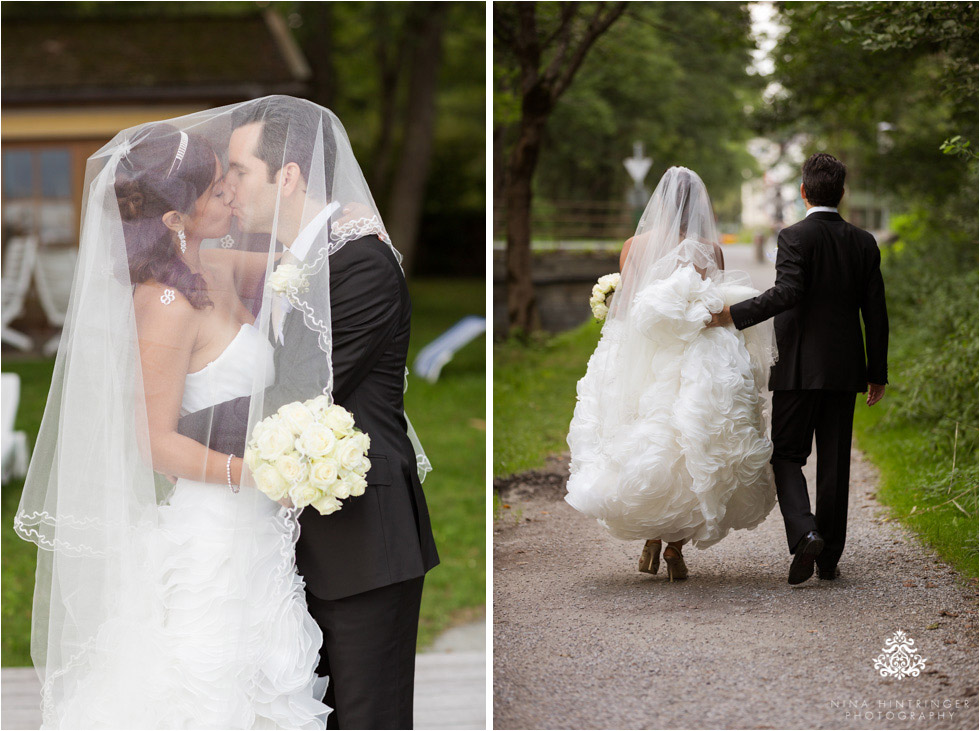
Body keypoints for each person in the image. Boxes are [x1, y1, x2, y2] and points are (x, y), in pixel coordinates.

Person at [15, 119, 330, 728]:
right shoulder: (164, 302)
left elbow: (302, 258)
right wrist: (257, 473)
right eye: (216, 191)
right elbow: (153, 442)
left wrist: (341, 223)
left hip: (260, 531)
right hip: (216, 533)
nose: (232, 195)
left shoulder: (214, 265)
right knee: (207, 690)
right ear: (173, 219)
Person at [225, 96, 439, 730]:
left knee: (365, 717)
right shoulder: (302, 262)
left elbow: (303, 394)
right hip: (297, 537)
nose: (228, 186)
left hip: (363, 541)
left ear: (287, 175)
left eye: (239, 171)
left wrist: (177, 431)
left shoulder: (361, 265)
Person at [564, 166, 778, 581]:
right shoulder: (710, 251)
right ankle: (675, 547)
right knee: (691, 446)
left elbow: (627, 308)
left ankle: (652, 538)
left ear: (658, 203)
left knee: (641, 436)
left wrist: (609, 308)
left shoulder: (632, 246)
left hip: (642, 355)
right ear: (698, 206)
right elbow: (713, 307)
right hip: (693, 355)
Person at [708, 152, 888, 585]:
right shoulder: (864, 242)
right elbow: (876, 312)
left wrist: (733, 314)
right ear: (841, 193)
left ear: (804, 191)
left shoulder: (793, 236)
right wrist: (876, 371)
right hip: (845, 370)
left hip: (796, 366)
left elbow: (788, 292)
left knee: (787, 455)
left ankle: (805, 531)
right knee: (834, 464)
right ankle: (828, 561)